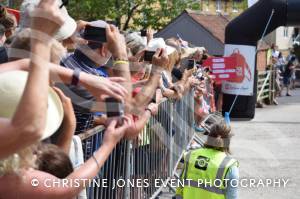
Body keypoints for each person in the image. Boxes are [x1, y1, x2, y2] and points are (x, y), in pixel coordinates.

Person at [176, 121, 239, 199]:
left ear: (209, 137)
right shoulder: (229, 166)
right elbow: (232, 197)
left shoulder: (190, 155)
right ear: (228, 141)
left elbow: (180, 187)